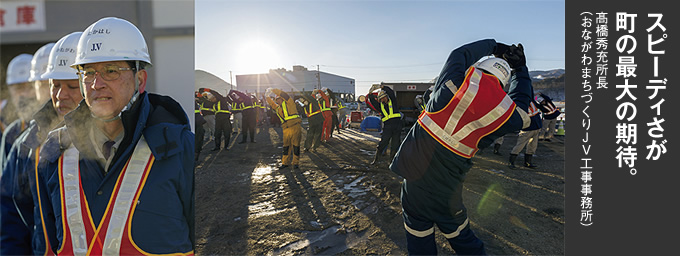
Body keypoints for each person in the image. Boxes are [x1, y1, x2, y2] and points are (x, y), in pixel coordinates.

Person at [39, 17, 194, 254]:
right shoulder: (55, 153)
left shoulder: (180, 148)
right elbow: (45, 246)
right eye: (88, 73)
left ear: (139, 80)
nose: (96, 84)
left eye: (111, 71)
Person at [389, 39, 534, 255]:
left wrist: (495, 47)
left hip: (414, 183)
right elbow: (524, 103)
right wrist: (521, 69)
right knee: (464, 241)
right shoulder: (505, 114)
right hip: (448, 193)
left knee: (419, 239)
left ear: (478, 69)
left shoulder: (450, 85)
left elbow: (459, 54)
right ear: (504, 83)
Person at [1, 32, 83, 255]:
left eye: (71, 86)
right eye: (52, 84)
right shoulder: (25, 144)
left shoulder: (110, 133)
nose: (57, 94)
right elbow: (13, 218)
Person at [1, 54, 36, 168]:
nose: (25, 94)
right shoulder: (9, 131)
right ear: (9, 89)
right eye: (19, 87)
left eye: (30, 87)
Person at [365, 84, 403, 165]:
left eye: (384, 97)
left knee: (395, 144)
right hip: (388, 126)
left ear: (387, 97)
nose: (383, 99)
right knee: (383, 142)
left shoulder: (393, 101)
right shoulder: (380, 106)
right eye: (381, 98)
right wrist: (370, 93)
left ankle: (392, 161)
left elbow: (391, 92)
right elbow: (372, 101)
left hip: (397, 125)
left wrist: (382, 87)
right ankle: (376, 160)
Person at [265, 88, 302, 169]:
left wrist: (274, 90)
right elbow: (272, 104)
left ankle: (295, 162)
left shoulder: (289, 102)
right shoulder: (278, 108)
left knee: (296, 146)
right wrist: (267, 96)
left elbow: (284, 94)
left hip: (295, 126)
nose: (278, 101)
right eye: (276, 100)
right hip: (286, 129)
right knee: (286, 147)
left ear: (282, 99)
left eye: (279, 99)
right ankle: (285, 163)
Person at [508, 99, 545, 169]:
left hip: (536, 127)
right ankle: (511, 162)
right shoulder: (519, 103)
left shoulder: (530, 100)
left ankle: (528, 162)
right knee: (520, 145)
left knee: (532, 146)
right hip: (528, 128)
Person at [195, 96, 206, 162]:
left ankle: (196, 155)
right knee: (198, 138)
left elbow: (202, 100)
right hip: (197, 120)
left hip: (197, 121)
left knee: (199, 138)